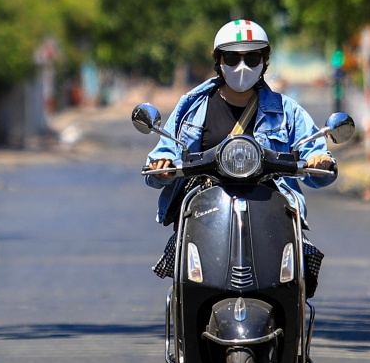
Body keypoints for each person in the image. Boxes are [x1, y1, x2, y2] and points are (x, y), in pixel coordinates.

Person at [144, 20, 336, 280]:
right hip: (205, 211)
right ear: (218, 59)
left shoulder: (287, 110)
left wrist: (319, 160)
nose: (242, 67)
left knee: (296, 275)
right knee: (186, 278)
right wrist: (163, 165)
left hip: (270, 209)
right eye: (232, 58)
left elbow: (314, 157)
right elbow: (162, 156)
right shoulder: (192, 106)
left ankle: (294, 315)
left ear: (265, 59)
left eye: (252, 57)